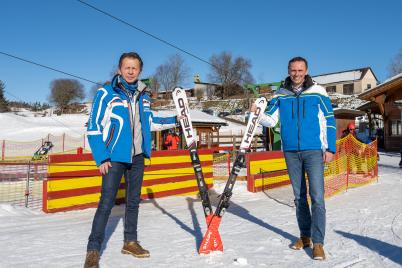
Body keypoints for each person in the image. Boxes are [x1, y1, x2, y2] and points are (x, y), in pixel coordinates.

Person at [84, 52, 178, 268]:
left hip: (137, 157)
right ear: (119, 69)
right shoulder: (106, 93)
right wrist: (101, 157)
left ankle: (130, 241)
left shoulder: (144, 95)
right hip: (113, 158)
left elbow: (151, 120)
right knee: (106, 204)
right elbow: (93, 127)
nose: (130, 71)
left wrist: (175, 119)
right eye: (126, 67)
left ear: (140, 71)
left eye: (134, 68)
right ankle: (93, 250)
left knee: (133, 203)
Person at [251, 57, 336, 260]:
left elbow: (329, 120)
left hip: (314, 150)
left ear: (306, 71)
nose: (296, 73)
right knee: (299, 197)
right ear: (288, 71)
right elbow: (271, 121)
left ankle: (318, 243)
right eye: (293, 70)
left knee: (317, 197)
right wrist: (256, 113)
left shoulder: (318, 91)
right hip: (290, 151)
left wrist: (330, 148)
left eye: (300, 70)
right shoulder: (280, 94)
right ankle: (305, 236)